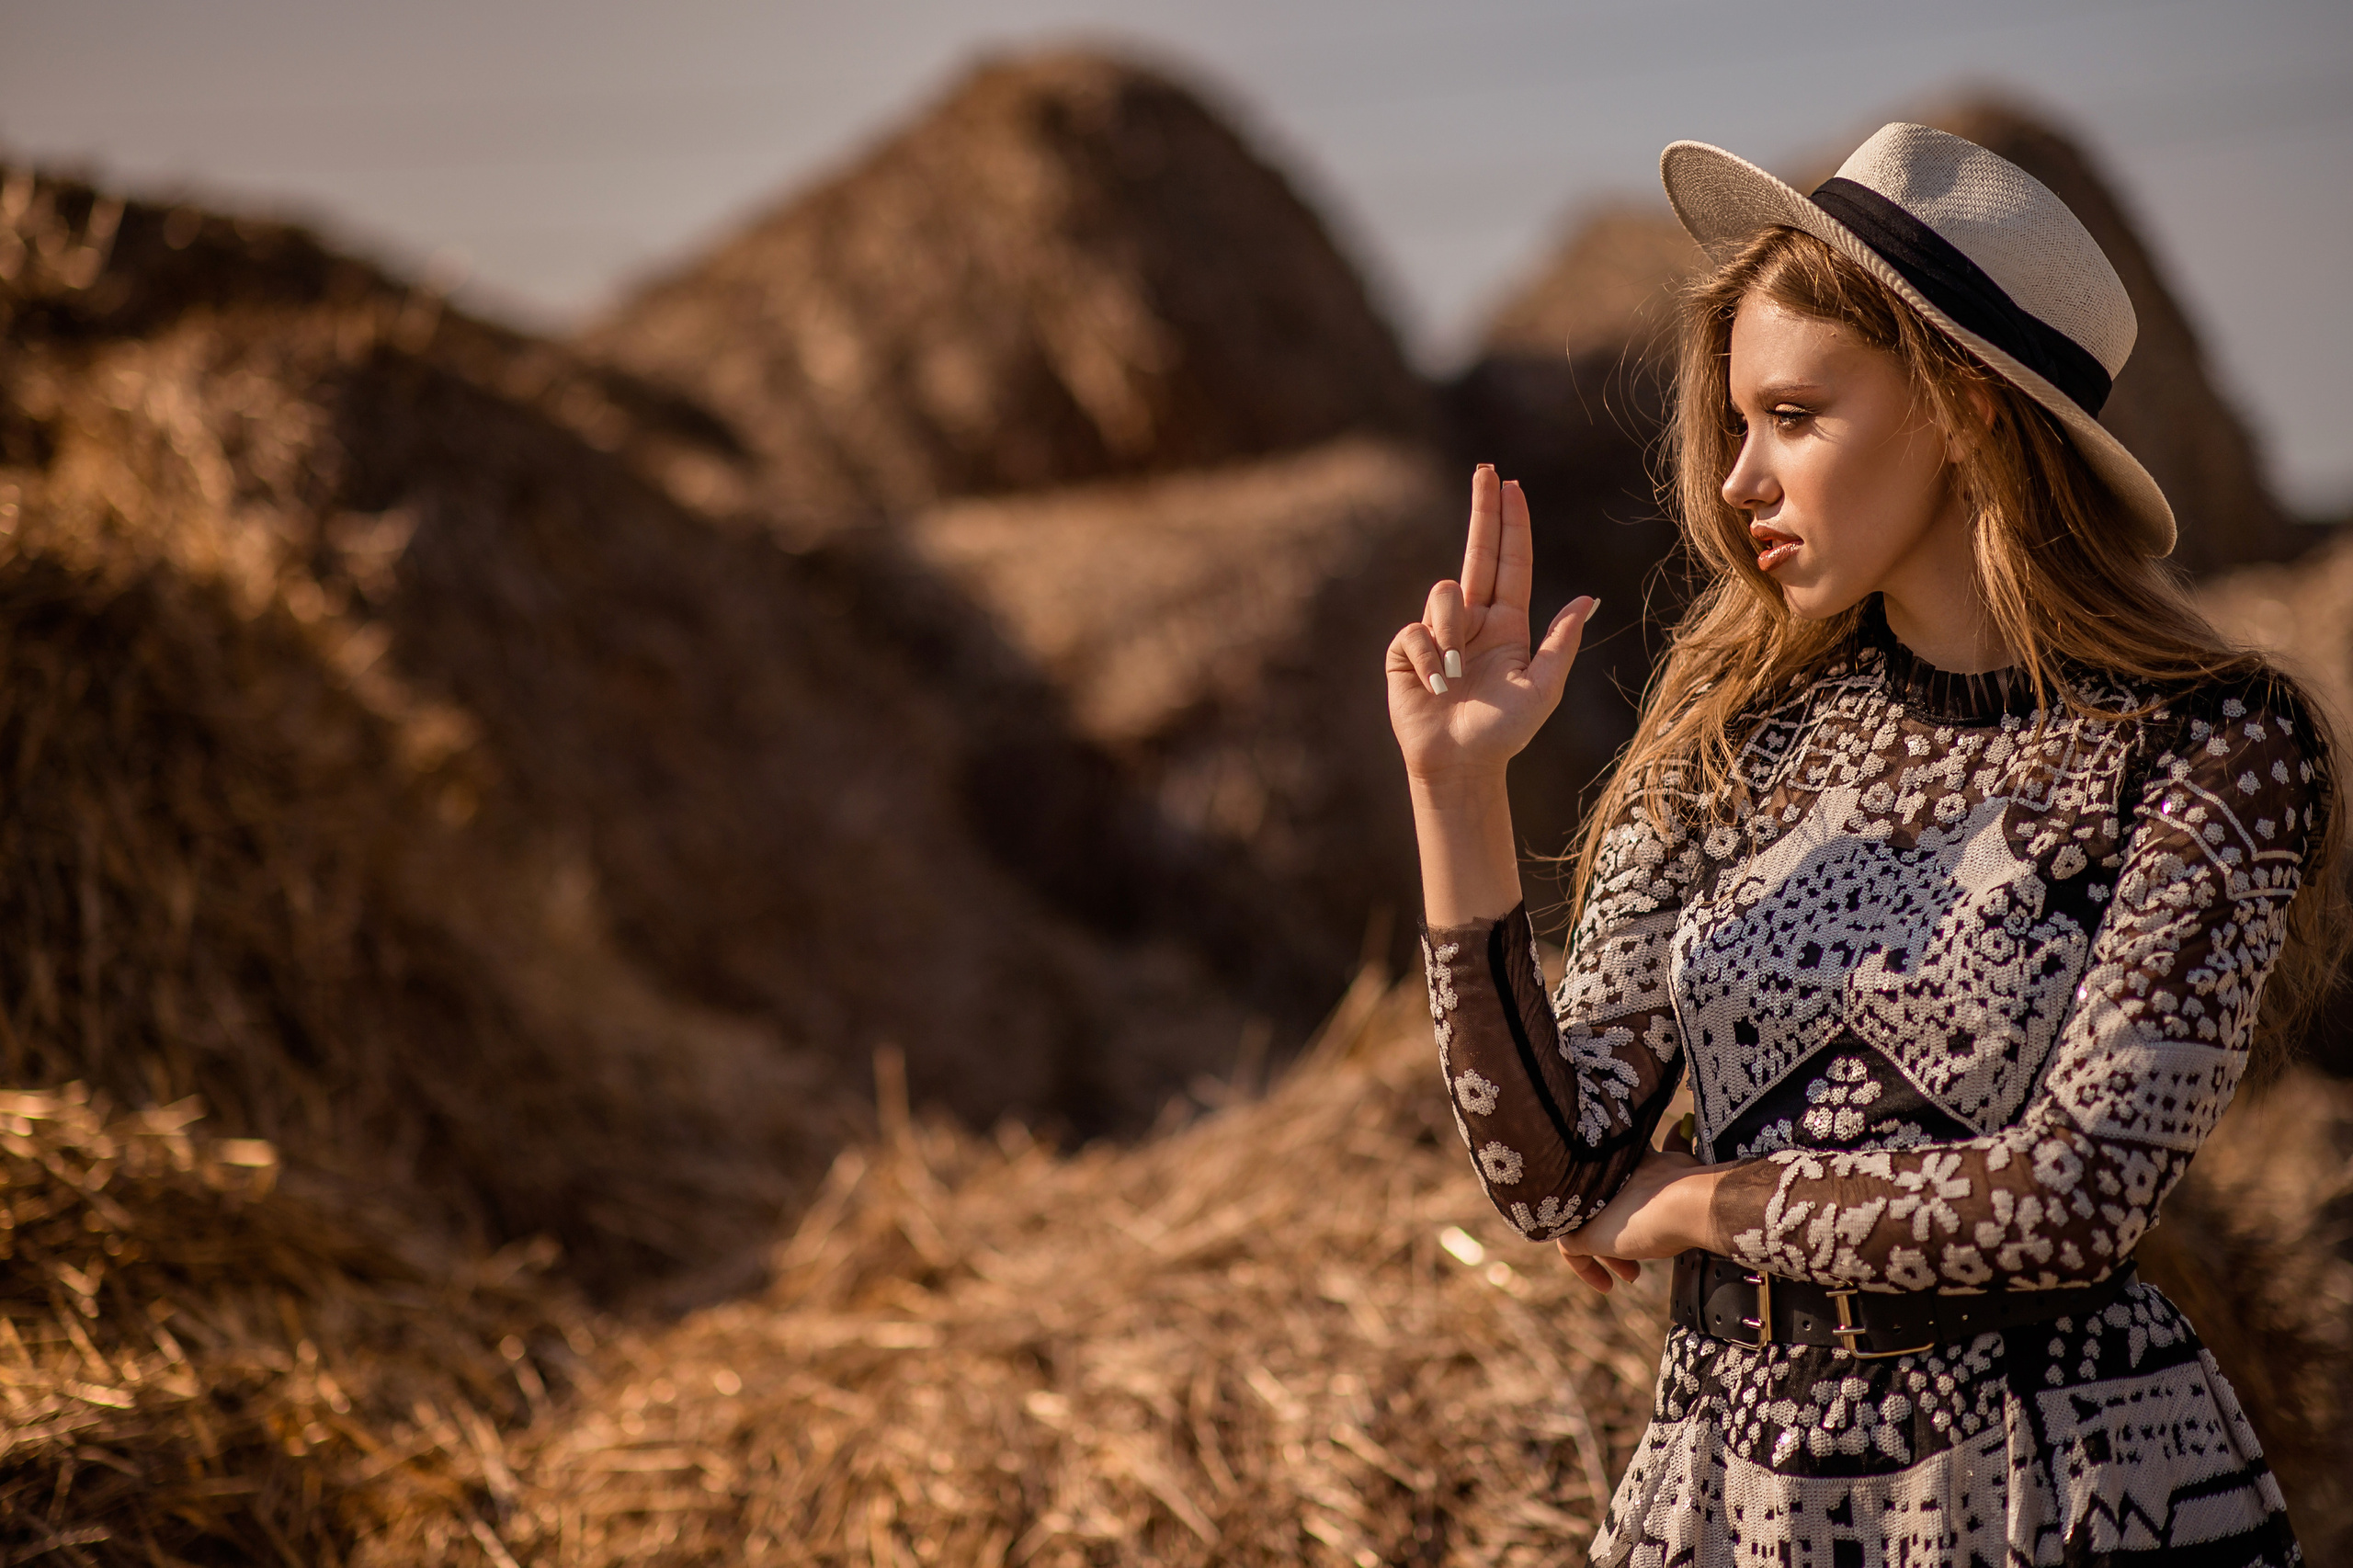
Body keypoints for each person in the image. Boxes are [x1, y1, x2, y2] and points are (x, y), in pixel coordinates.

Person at [1387, 122, 2336, 1566]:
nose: (1735, 483)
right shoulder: (1726, 738)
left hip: (2065, 1495)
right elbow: (1552, 1177)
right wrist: (1457, 798)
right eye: (1738, 423)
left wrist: (1702, 1201)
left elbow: (2072, 1199)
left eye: (1795, 416)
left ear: (1959, 407)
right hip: (1721, 1503)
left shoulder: (2213, 747)